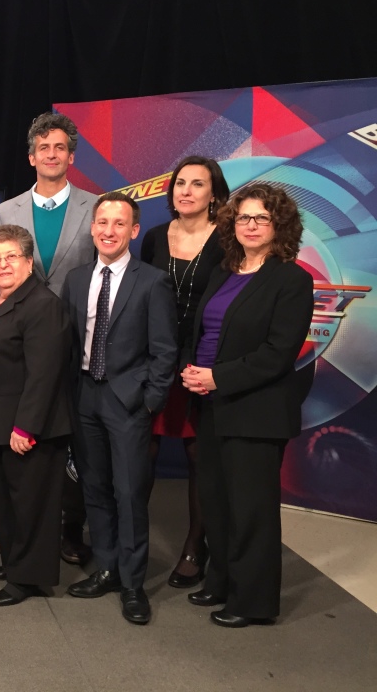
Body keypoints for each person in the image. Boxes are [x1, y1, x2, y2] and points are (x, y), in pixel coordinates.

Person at [181, 183, 313, 628]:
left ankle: (252, 602)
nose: (250, 225)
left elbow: (278, 353)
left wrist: (218, 376)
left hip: (256, 411)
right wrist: (193, 371)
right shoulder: (224, 271)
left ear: (279, 225)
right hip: (214, 404)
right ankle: (220, 581)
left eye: (261, 218)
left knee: (251, 511)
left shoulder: (292, 279)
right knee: (216, 502)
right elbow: (204, 333)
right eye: (243, 217)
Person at [61, 192, 177, 625]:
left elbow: (165, 351)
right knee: (94, 488)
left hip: (128, 400)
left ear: (133, 230)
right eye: (102, 222)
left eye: (119, 224)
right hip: (84, 397)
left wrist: (149, 401)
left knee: (129, 493)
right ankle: (107, 568)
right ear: (93, 228)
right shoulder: (75, 279)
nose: (109, 231)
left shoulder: (151, 281)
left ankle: (132, 584)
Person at [0, 112, 97, 565]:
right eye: (43, 148)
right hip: (20, 341)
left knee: (68, 438)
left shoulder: (96, 207)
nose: (51, 155)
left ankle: (71, 531)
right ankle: (24, 529)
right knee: (25, 432)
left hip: (78, 336)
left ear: (70, 156)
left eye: (59, 147)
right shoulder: (6, 210)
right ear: (31, 156)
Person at [0, 225, 73, 605]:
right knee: (6, 503)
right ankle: (15, 562)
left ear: (28, 262)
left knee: (32, 505)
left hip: (26, 427)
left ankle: (28, 577)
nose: (2, 264)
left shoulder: (42, 304)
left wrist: (26, 426)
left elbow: (44, 373)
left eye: (11, 257)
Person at [139, 156, 230, 587]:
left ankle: (197, 545)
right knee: (144, 453)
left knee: (200, 457)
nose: (186, 191)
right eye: (180, 183)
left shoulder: (228, 242)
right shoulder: (155, 237)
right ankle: (130, 543)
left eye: (198, 183)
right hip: (152, 361)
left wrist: (208, 363)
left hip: (202, 363)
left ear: (215, 193)